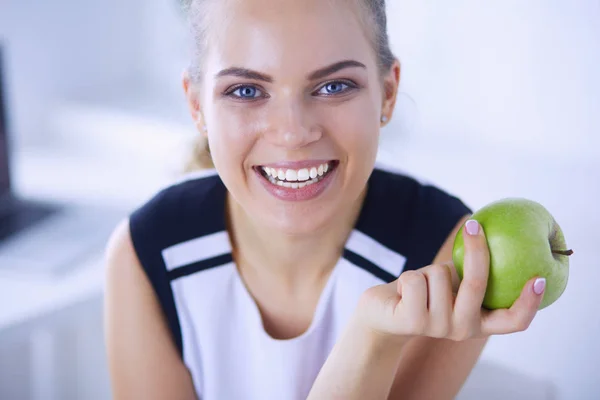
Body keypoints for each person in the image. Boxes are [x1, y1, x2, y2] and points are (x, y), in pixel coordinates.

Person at [104, 0, 546, 399]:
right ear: (197, 105)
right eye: (246, 90)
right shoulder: (144, 253)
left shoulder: (448, 259)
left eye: (334, 86)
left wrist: (374, 338)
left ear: (387, 94)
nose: (293, 133)